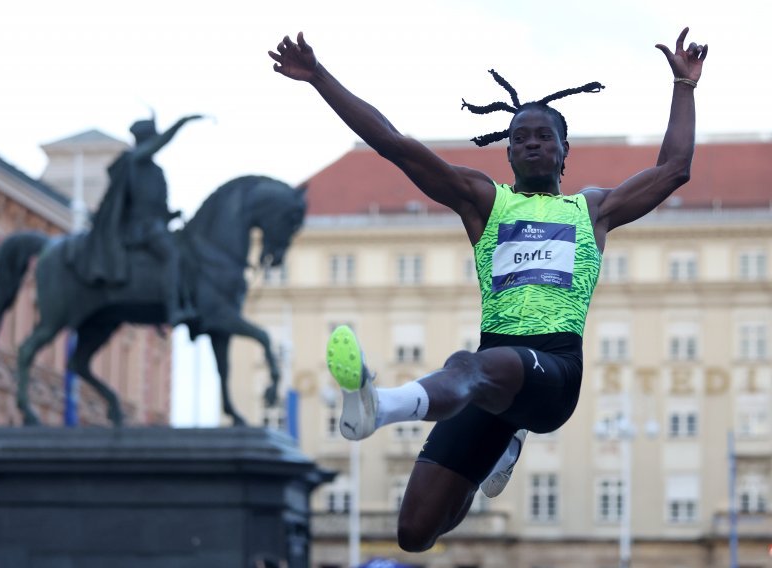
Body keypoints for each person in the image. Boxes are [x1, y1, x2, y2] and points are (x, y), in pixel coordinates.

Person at [269, 28, 707, 552]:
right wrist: (319, 77)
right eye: (519, 137)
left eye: (544, 135)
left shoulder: (592, 210)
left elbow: (673, 169)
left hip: (555, 370)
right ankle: (502, 443)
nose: (531, 143)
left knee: (468, 365)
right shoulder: (484, 202)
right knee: (414, 532)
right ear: (508, 154)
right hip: (492, 375)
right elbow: (394, 146)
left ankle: (378, 406)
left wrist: (684, 85)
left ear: (565, 150)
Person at [66, 114, 202, 326]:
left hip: (156, 225)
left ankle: (176, 303)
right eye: (152, 139)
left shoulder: (156, 172)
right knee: (171, 255)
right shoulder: (133, 161)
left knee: (186, 250)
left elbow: (159, 207)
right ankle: (173, 309)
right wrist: (183, 122)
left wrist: (172, 215)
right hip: (139, 229)